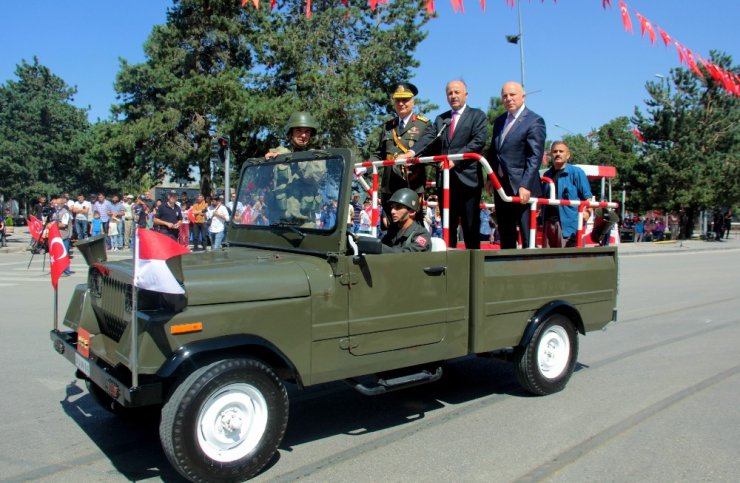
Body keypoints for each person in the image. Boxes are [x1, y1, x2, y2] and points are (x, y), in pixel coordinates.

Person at [404, 80, 488, 249]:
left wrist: (454, 160)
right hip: (446, 182)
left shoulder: (477, 116)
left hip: (468, 180)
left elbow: (478, 141)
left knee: (470, 226)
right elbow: (429, 139)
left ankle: (472, 269)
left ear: (466, 94)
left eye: (457, 92)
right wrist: (412, 153)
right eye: (450, 93)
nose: (453, 96)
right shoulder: (442, 119)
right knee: (447, 226)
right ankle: (449, 264)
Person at [486, 81, 546, 249]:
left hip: (522, 186)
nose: (508, 99)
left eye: (512, 95)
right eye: (505, 96)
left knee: (527, 235)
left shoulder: (534, 121)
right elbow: (494, 151)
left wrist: (525, 185)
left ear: (523, 97)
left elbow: (535, 156)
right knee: (505, 232)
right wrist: (491, 178)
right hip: (501, 185)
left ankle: (529, 270)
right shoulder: (499, 121)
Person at [370, 82, 434, 219]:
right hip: (389, 188)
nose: (401, 104)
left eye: (405, 100)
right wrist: (364, 169)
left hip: (411, 186)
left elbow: (428, 149)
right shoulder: (388, 126)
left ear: (413, 102)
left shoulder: (424, 125)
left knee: (412, 229)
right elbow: (378, 154)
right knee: (389, 231)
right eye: (398, 100)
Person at [540, 141, 593, 248]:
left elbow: (588, 197)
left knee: (567, 259)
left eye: (561, 151)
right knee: (548, 260)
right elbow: (542, 198)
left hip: (568, 226)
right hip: (548, 223)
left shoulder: (576, 172)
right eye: (555, 151)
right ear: (551, 155)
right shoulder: (547, 175)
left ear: (568, 155)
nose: (558, 154)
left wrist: (587, 212)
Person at [380, 188, 431, 253]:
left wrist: (379, 248)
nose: (392, 211)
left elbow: (406, 255)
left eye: (398, 207)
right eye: (392, 207)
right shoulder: (393, 231)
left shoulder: (421, 235)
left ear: (412, 211)